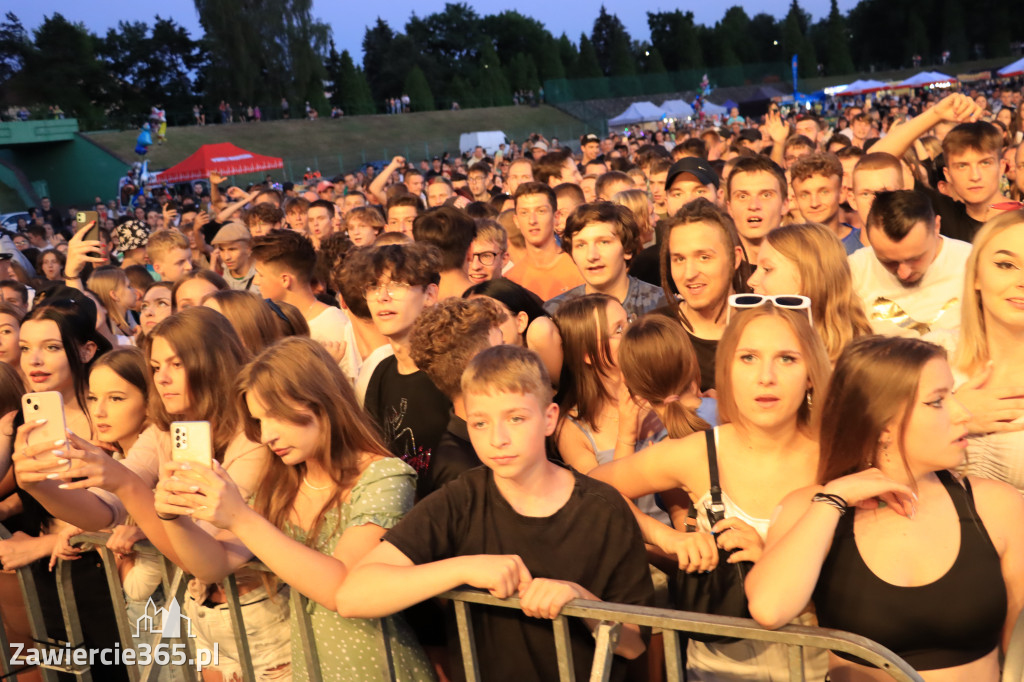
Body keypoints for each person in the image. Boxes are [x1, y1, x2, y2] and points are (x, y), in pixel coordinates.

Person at [336, 344, 654, 681]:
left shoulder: (603, 509)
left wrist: (581, 600)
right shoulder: (460, 499)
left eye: (515, 418)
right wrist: (464, 568)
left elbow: (633, 645)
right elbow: (353, 595)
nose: (497, 439)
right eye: (480, 423)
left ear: (549, 418)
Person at [12, 307, 290, 681]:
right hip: (204, 612)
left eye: (176, 364)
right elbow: (99, 511)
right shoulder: (165, 431)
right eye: (156, 367)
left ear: (213, 362)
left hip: (265, 617)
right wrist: (36, 484)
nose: (163, 379)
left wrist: (127, 487)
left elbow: (206, 558)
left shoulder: (254, 438)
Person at [153, 337, 434, 680]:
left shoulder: (384, 476)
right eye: (259, 421)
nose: (267, 435)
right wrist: (172, 516)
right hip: (310, 668)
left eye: (275, 416)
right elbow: (213, 566)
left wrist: (240, 517)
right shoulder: (283, 482)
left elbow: (342, 589)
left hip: (377, 667)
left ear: (321, 400)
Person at [745, 335, 1024, 682]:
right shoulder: (812, 507)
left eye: (952, 395)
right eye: (937, 401)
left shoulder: (996, 505)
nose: (962, 413)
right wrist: (834, 499)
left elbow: (1020, 650)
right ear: (882, 425)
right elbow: (769, 609)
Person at [591, 302, 831, 681]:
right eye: (748, 357)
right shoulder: (697, 453)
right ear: (727, 370)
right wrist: (667, 539)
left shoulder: (840, 458)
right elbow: (590, 489)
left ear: (812, 373)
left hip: (824, 668)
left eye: (787, 358)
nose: (765, 376)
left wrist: (772, 559)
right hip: (720, 669)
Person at [351, 243, 451, 473]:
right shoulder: (381, 372)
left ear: (430, 294)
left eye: (396, 285)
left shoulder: (449, 371)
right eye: (373, 286)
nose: (382, 297)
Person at [950, 210, 1024, 493]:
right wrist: (953, 412)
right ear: (976, 275)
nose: (1022, 280)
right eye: (1006, 265)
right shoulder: (933, 354)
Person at [407, 297, 506, 498]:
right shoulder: (466, 470)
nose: (513, 355)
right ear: (478, 362)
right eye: (502, 349)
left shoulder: (454, 451)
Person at [849, 190, 971, 345]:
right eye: (889, 262)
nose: (903, 273)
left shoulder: (971, 263)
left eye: (915, 259)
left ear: (937, 227)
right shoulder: (856, 270)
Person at [748, 223, 872, 363]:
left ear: (809, 278)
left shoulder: (860, 362)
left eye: (767, 269)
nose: (751, 281)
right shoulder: (752, 340)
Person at [657, 198, 746, 392]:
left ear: (735, 258)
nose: (689, 274)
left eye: (704, 257)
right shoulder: (656, 334)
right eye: (679, 259)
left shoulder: (764, 325)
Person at [251, 230, 359, 379]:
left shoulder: (333, 326)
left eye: (260, 274)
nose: (255, 281)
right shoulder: (269, 320)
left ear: (285, 280)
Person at [543, 203, 664, 318]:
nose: (591, 256)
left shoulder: (663, 307)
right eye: (581, 245)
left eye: (604, 242)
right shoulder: (556, 314)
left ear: (627, 249)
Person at [505, 183, 584, 301]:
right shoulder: (510, 281)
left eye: (541, 211)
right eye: (524, 213)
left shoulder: (580, 269)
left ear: (556, 217)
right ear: (516, 220)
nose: (532, 220)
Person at [790, 153, 863, 255]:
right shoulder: (786, 248)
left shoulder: (863, 244)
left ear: (841, 193)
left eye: (824, 192)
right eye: (804, 195)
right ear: (795, 200)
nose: (814, 203)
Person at [87, 266, 138, 344]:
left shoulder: (130, 316)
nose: (135, 291)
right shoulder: (110, 331)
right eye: (129, 287)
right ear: (114, 295)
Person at [211, 223, 258, 292]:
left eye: (232, 249)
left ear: (249, 249)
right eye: (222, 250)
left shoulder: (262, 278)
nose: (226, 257)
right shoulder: (222, 281)